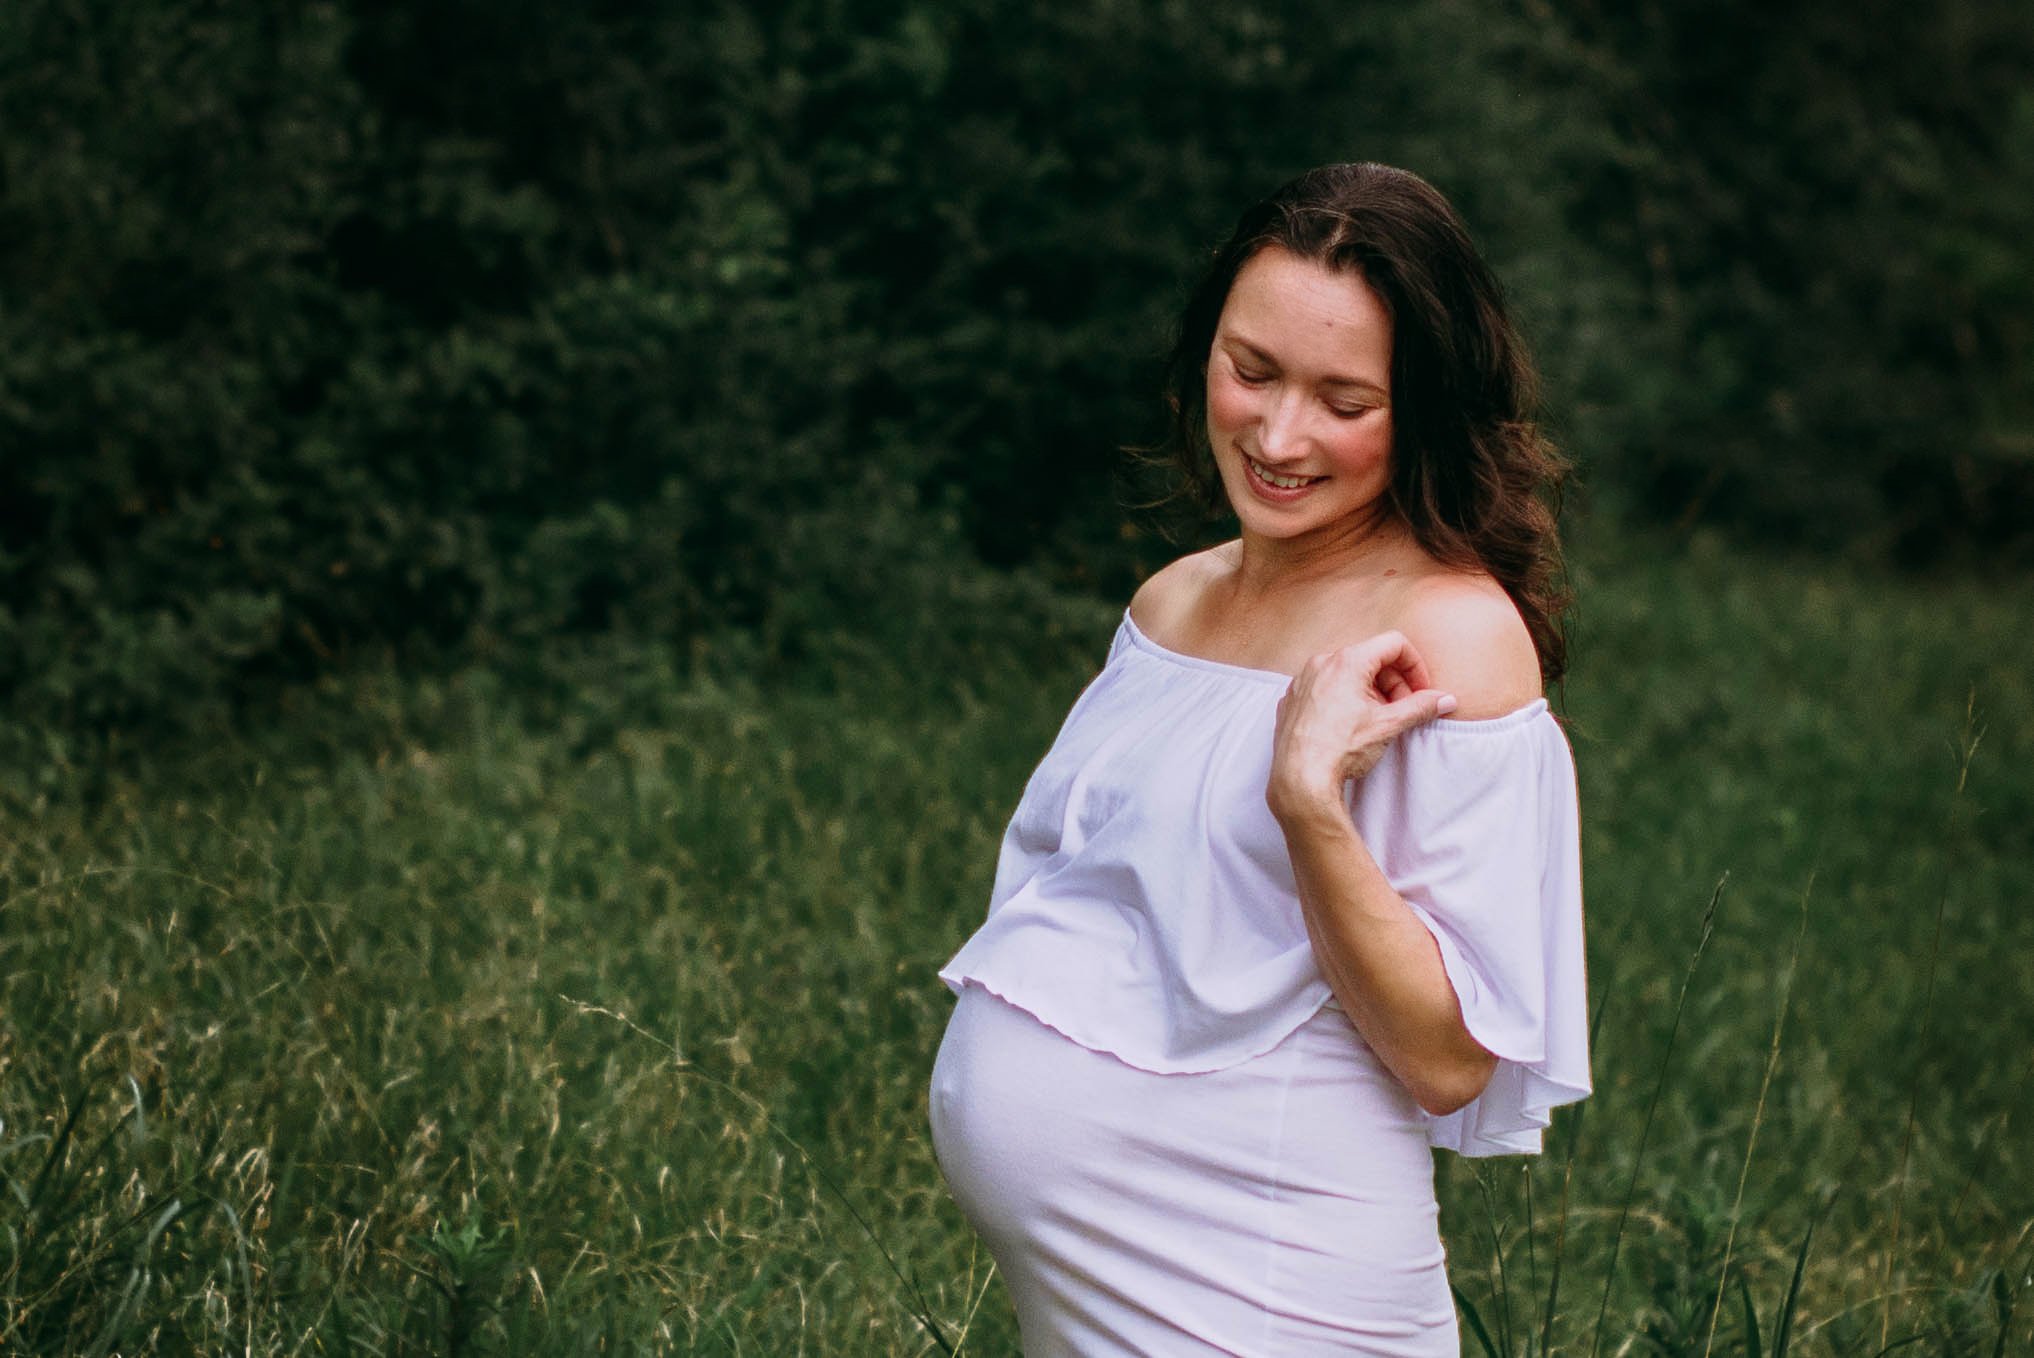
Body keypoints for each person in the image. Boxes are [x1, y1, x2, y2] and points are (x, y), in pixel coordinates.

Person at [928, 162, 1590, 1356]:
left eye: (1345, 400)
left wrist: (1308, 804)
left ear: (1428, 407)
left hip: (1274, 1291)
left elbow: (1446, 1057)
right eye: (1253, 371)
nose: (1281, 435)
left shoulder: (1449, 636)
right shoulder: (1173, 602)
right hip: (1084, 1307)